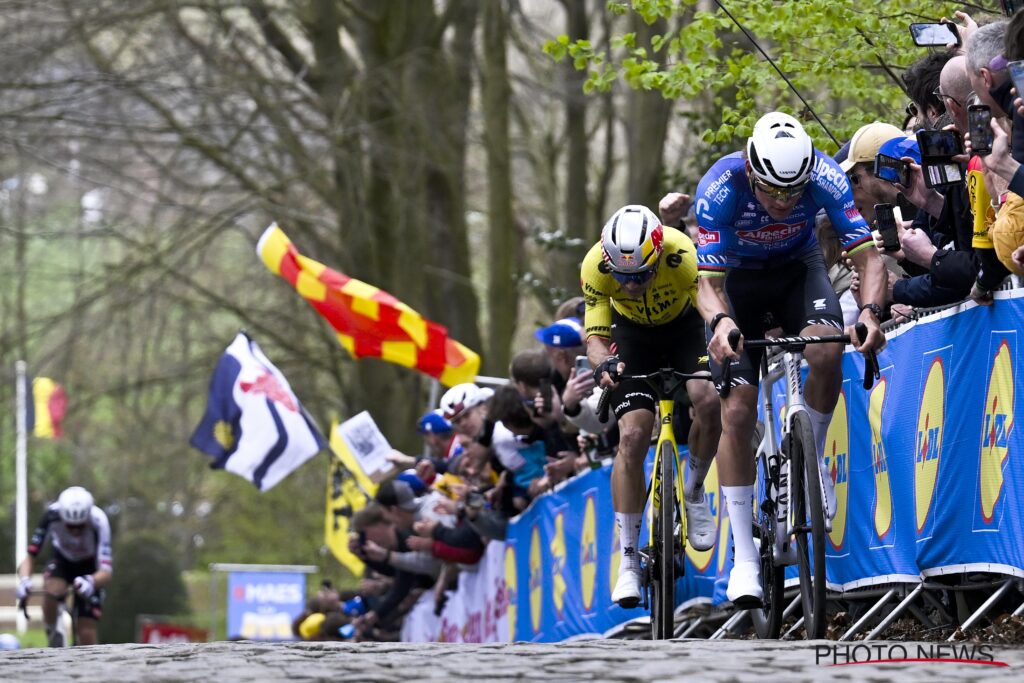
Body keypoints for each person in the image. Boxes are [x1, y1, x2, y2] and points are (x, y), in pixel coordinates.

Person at [694, 112, 886, 606]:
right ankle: (743, 556)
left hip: (798, 270)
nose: (783, 203)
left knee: (827, 349)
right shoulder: (720, 188)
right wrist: (721, 323)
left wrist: (869, 313)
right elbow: (706, 285)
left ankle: (812, 460)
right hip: (737, 280)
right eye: (772, 192)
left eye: (793, 193)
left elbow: (868, 259)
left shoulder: (825, 176)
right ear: (751, 171)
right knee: (737, 410)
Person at [581, 203, 722, 608]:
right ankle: (628, 559)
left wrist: (720, 330)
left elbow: (708, 302)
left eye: (641, 275)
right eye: (623, 277)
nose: (631, 285)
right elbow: (595, 338)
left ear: (657, 257)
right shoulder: (595, 266)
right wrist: (603, 364)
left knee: (707, 399)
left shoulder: (680, 252)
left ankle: (694, 490)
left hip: (684, 328)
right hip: (632, 338)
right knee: (632, 435)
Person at [15, 486, 112, 646]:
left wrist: (91, 581)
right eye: (70, 526)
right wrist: (24, 580)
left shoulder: (99, 521)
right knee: (52, 591)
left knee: (86, 632)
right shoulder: (51, 515)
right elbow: (30, 556)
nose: (75, 532)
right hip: (62, 560)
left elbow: (106, 571)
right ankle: (54, 636)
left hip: (90, 567)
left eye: (80, 526)